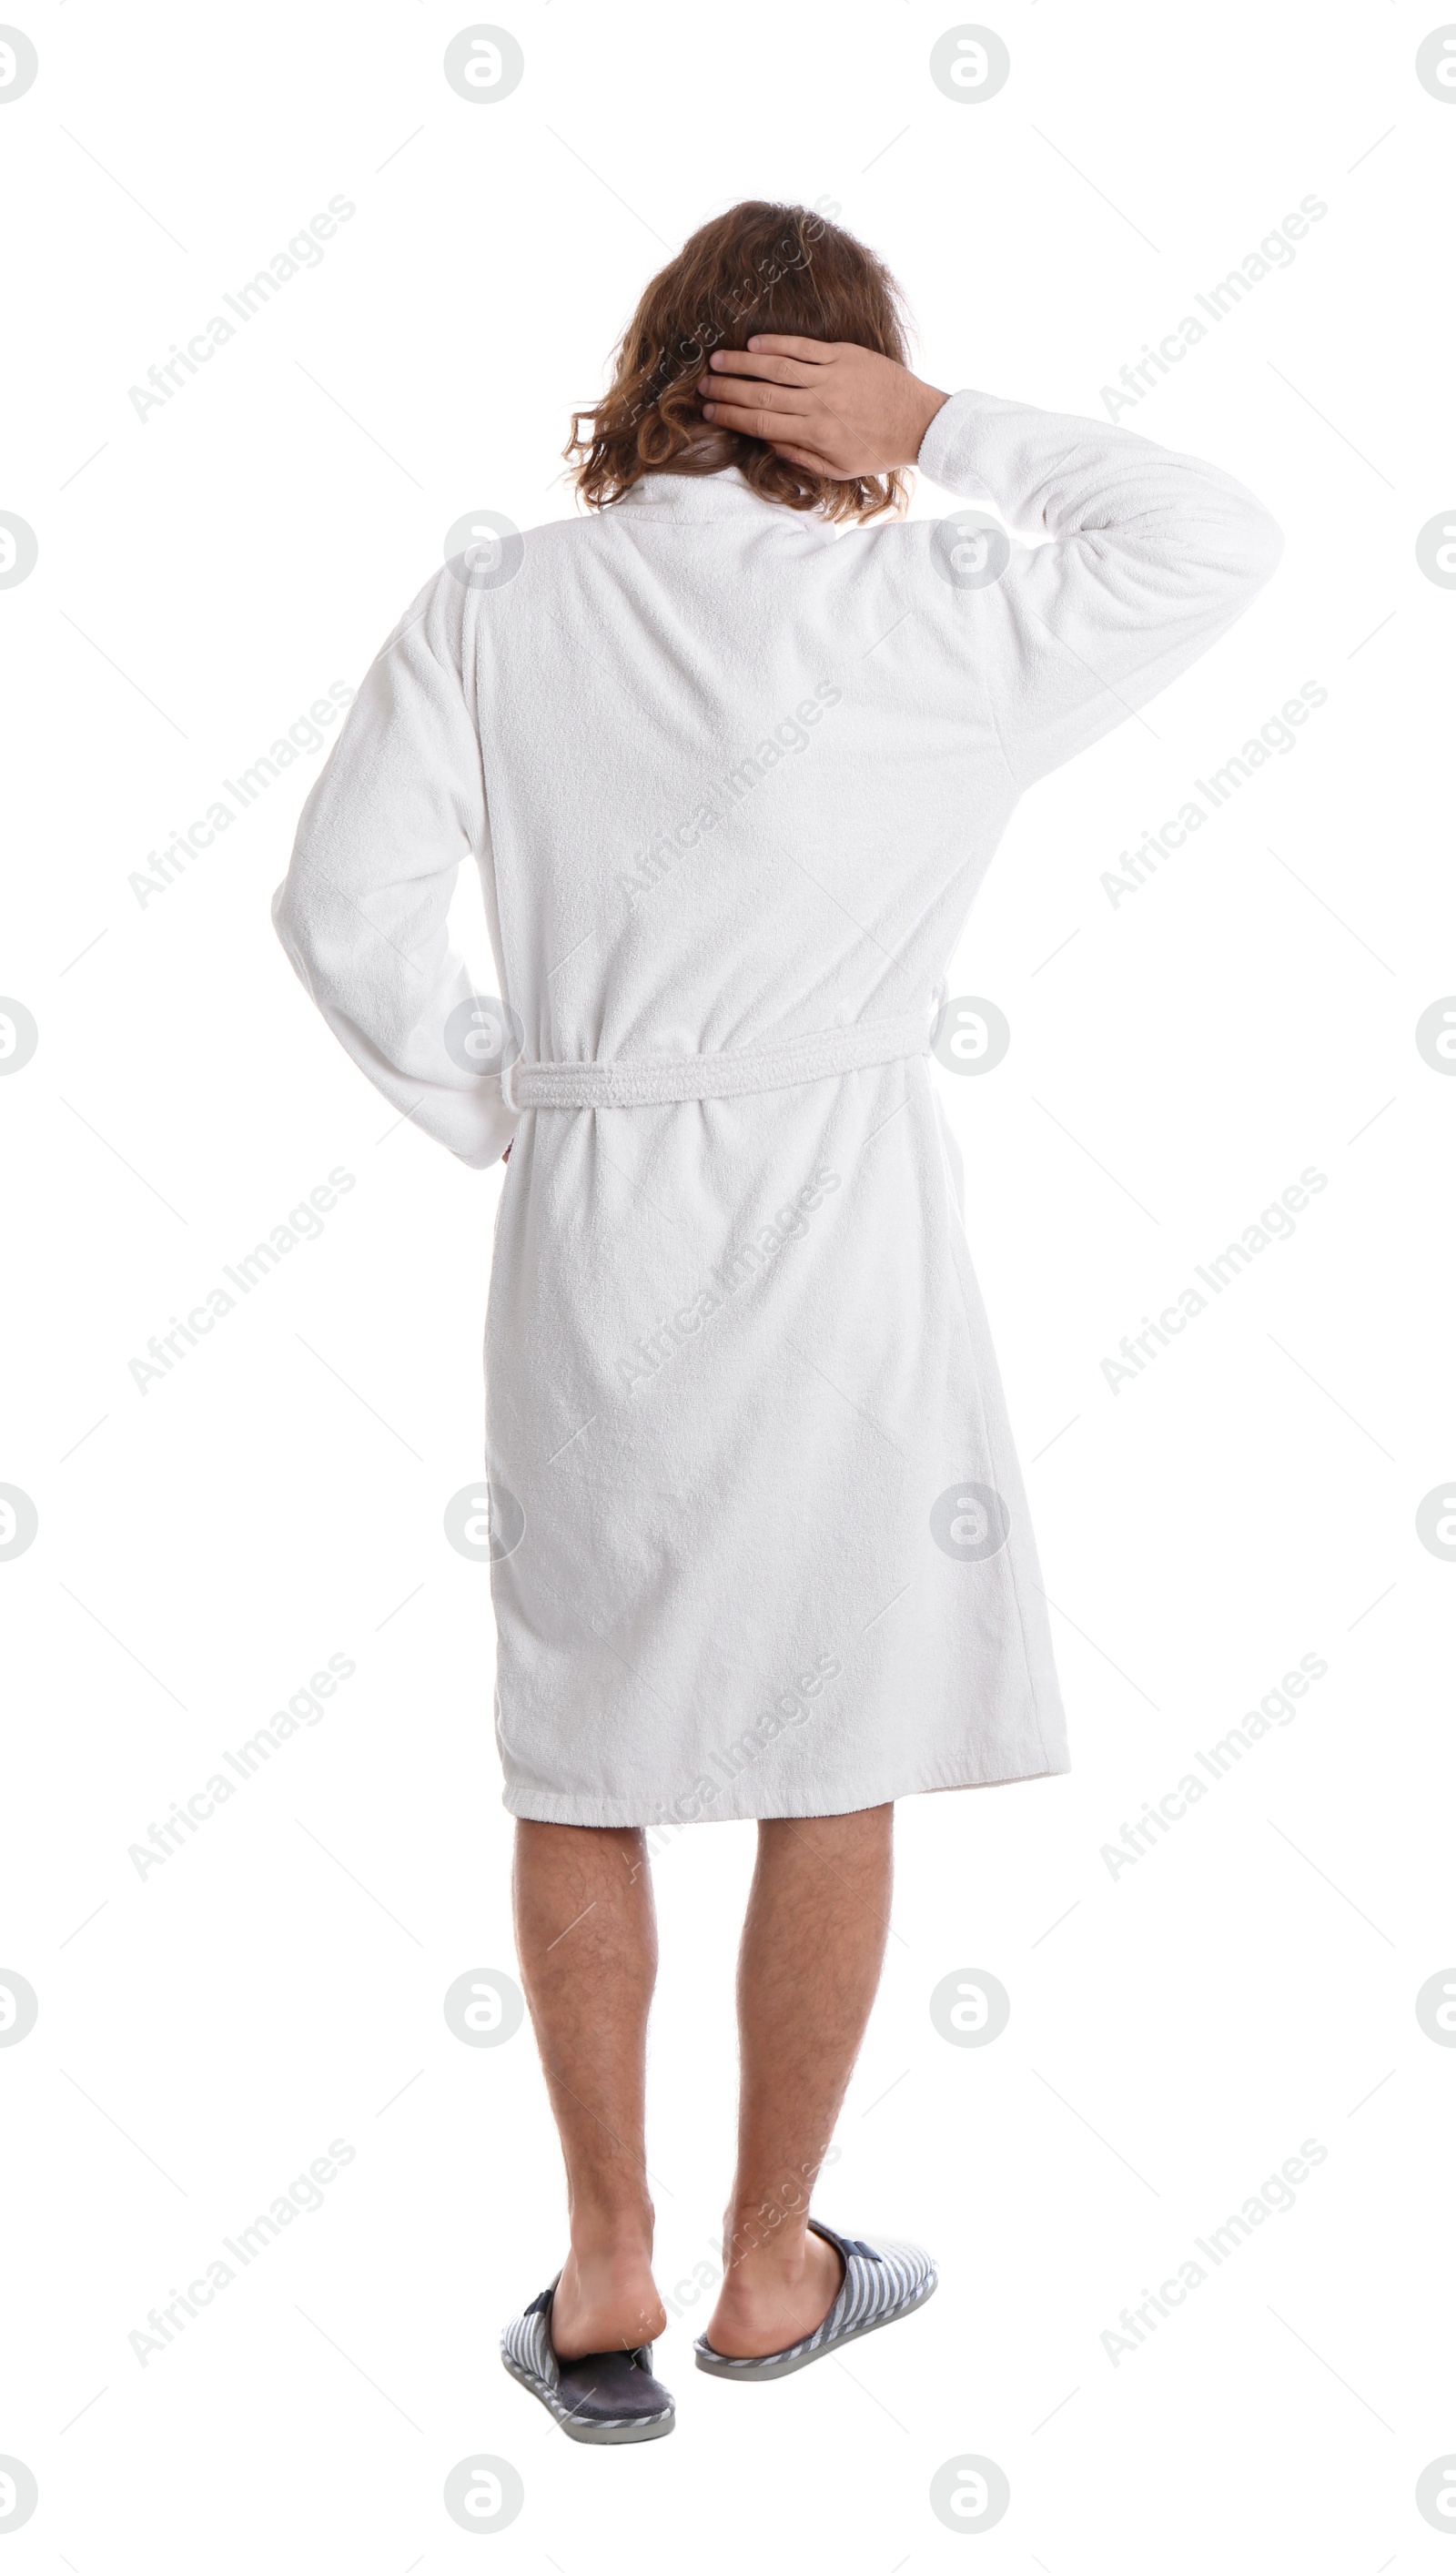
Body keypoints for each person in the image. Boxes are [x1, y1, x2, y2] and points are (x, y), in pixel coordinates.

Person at [272, 200, 1281, 2444]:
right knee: (835, 1729)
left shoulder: (503, 597)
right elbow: (1213, 537)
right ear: (836, 385)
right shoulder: (933, 599)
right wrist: (948, 431)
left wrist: (501, 1107)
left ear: (652, 368)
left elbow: (336, 904)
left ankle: (604, 2261)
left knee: (585, 1729)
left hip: (590, 1209)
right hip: (838, 1221)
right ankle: (767, 2265)